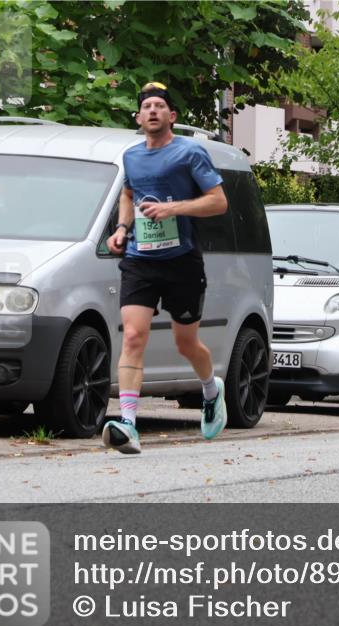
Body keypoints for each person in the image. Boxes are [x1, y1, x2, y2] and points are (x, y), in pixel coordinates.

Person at [102, 82, 229, 454]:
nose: (153, 111)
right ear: (139, 117)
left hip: (182, 261)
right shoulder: (131, 156)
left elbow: (218, 202)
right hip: (141, 259)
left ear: (171, 116)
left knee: (185, 342)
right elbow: (129, 193)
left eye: (160, 106)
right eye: (147, 107)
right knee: (133, 337)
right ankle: (128, 423)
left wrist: (173, 209)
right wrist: (122, 229)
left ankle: (210, 390)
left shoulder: (190, 152)